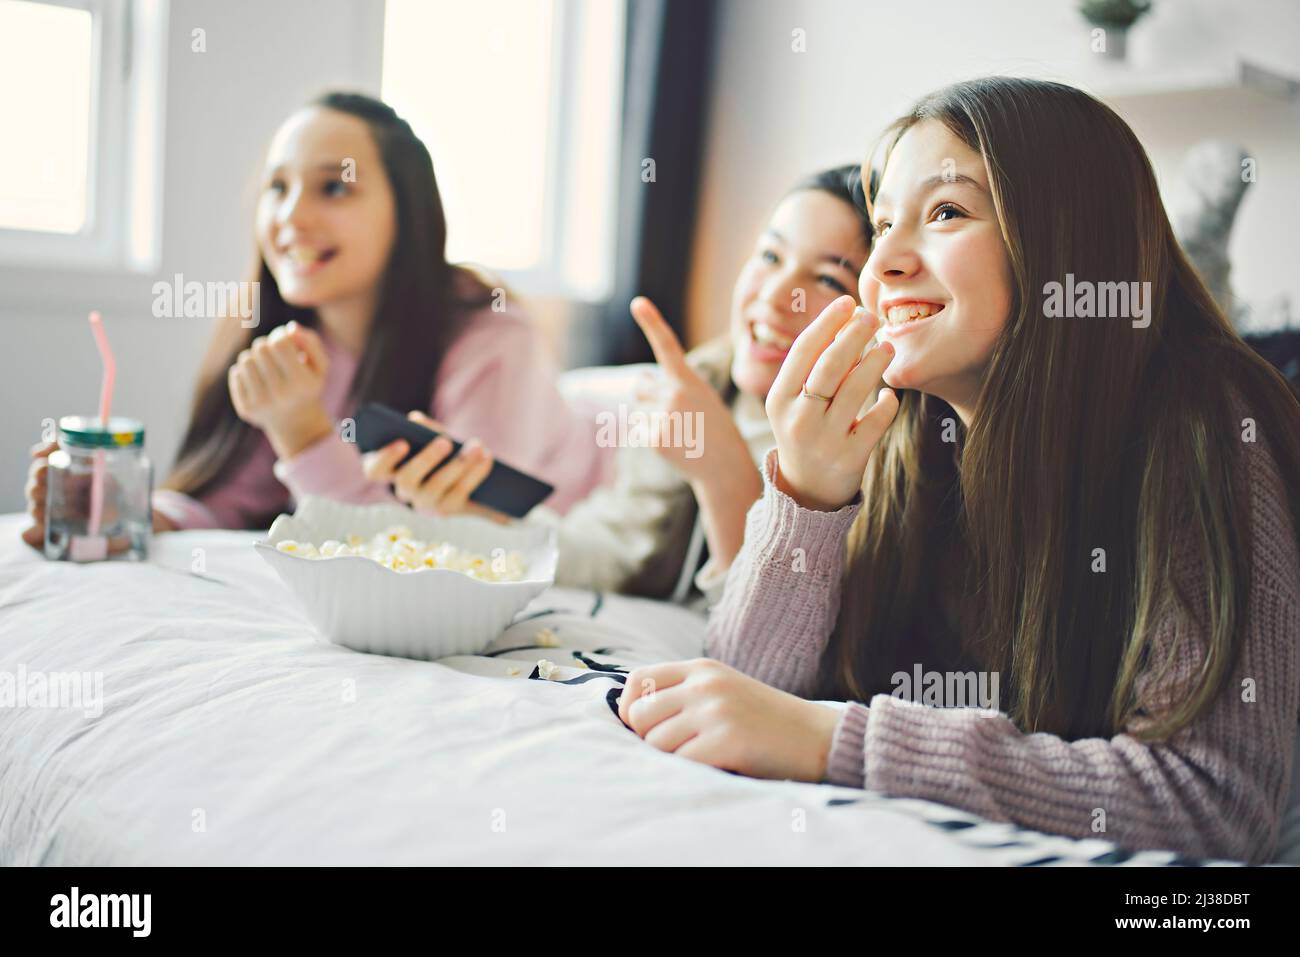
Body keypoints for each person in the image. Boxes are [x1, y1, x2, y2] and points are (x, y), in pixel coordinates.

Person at [617, 77, 1300, 864]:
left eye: (945, 212)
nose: (886, 265)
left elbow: (1210, 804)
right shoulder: (908, 435)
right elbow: (742, 693)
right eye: (881, 227)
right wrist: (805, 491)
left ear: (1066, 242)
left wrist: (837, 739)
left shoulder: (1206, 422)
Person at [23, 92, 611, 548]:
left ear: (408, 215)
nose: (291, 217)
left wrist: (303, 434)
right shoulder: (287, 341)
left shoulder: (493, 341)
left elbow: (442, 554)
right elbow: (228, 503)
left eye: (334, 187)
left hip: (607, 497)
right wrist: (119, 510)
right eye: (277, 188)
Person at [363, 166, 872, 608]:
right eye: (770, 256)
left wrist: (722, 474)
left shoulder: (866, 459)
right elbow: (608, 555)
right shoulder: (691, 394)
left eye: (828, 280)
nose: (780, 295)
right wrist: (476, 510)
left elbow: (776, 646)